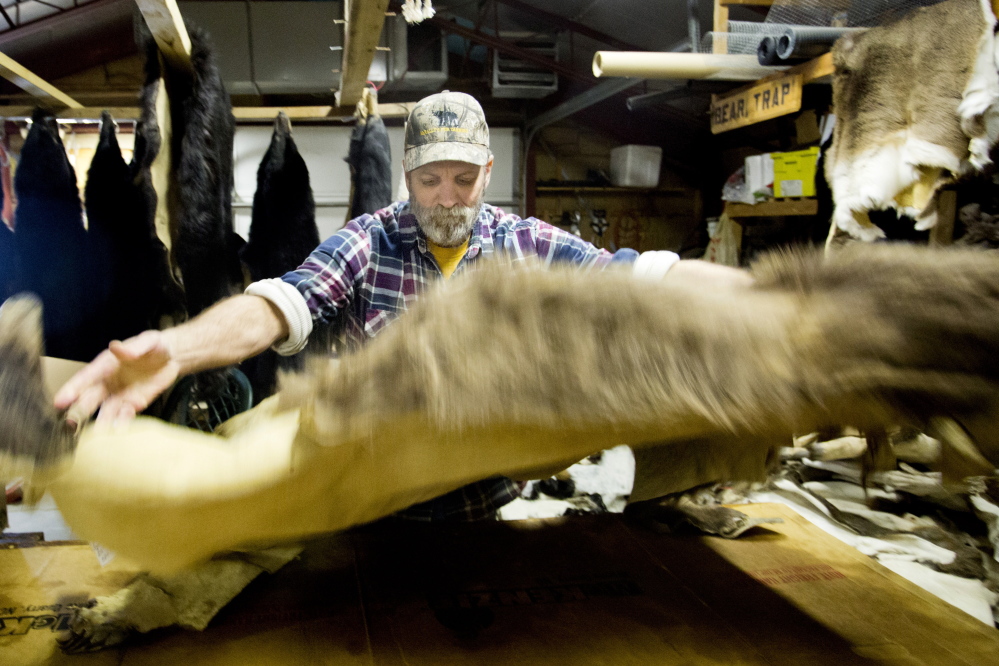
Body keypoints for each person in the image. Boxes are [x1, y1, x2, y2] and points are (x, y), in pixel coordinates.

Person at [54, 90, 749, 521]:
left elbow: (647, 279)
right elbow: (279, 304)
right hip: (373, 508)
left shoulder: (525, 242)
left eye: (462, 179)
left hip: (482, 512)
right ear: (407, 177)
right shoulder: (369, 240)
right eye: (427, 179)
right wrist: (177, 350)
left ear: (488, 174)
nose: (445, 198)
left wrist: (778, 310)